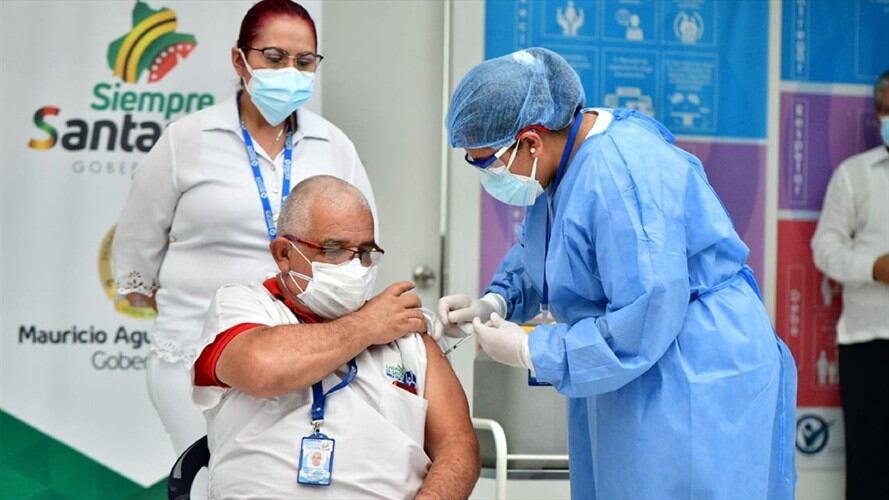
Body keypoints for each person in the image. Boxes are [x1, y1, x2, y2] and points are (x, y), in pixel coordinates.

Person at [435, 47, 797, 499]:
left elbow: (645, 314)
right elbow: (553, 253)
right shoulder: (566, 160)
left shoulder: (621, 174)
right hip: (638, 369)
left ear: (530, 141)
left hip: (693, 366)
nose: (487, 175)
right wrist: (497, 300)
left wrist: (533, 349)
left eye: (486, 162)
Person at [111, 0, 376, 456]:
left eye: (304, 61)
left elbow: (364, 249)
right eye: (273, 58)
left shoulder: (334, 145)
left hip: (300, 357)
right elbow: (138, 241)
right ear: (240, 60)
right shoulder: (188, 138)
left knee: (278, 479)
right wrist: (172, 298)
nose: (290, 71)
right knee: (207, 478)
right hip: (196, 353)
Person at [191, 176, 479, 499]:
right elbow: (262, 369)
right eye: (335, 249)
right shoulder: (245, 306)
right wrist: (367, 325)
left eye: (366, 252)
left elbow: (458, 446)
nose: (356, 266)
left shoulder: (402, 329)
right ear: (284, 254)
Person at [811, 69, 889, 500]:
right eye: (887, 109)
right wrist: (873, 267)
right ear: (877, 113)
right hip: (868, 342)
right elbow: (825, 248)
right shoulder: (853, 174)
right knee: (869, 469)